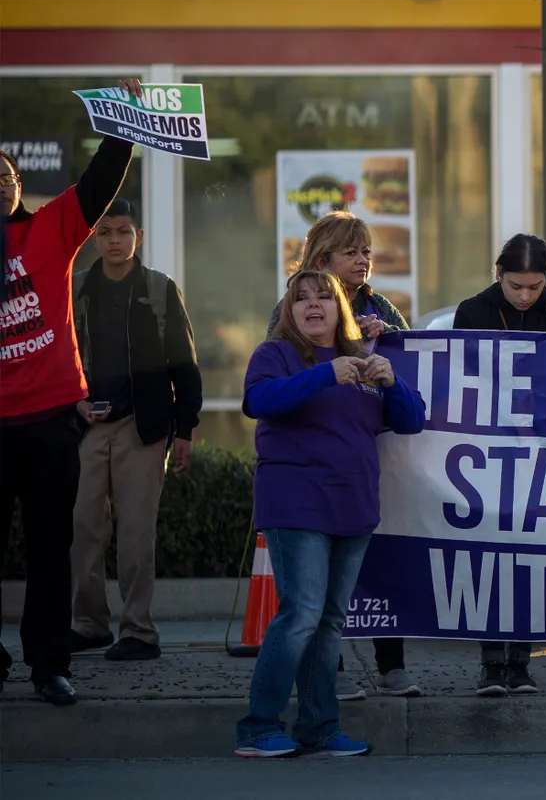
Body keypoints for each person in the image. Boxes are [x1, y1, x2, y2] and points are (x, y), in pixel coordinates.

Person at [233, 269, 426, 758]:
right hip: (296, 501)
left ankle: (318, 725)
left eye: (324, 297)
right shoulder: (274, 354)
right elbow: (259, 401)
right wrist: (324, 373)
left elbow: (412, 420)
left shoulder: (362, 359)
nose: (313, 305)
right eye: (302, 299)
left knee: (330, 622)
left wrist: (393, 382)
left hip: (353, 504)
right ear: (290, 311)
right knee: (301, 614)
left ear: (341, 308)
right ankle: (258, 727)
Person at [1, 76, 141, 706]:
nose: (1, 184)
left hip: (51, 418)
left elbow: (98, 181)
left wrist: (123, 120)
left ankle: (49, 664)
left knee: (51, 550)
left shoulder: (50, 229)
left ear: (18, 187)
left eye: (6, 176)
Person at [266, 211, 412, 698]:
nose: (364, 260)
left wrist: (383, 340)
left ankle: (392, 664)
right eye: (353, 251)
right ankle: (319, 684)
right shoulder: (292, 304)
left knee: (383, 561)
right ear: (324, 257)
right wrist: (343, 342)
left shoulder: (383, 307)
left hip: (370, 452)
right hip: (309, 471)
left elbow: (405, 369)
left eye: (367, 251)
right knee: (311, 603)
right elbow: (276, 380)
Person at [69, 197, 204, 662]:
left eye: (123, 232)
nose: (114, 241)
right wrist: (74, 402)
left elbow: (184, 364)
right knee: (83, 527)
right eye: (105, 232)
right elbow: (58, 356)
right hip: (86, 423)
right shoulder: (76, 288)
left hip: (142, 425)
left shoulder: (159, 289)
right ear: (94, 237)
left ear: (137, 237)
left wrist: (185, 427)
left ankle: (139, 631)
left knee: (135, 532)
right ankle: (88, 625)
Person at [451, 233, 546, 697]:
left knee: (529, 557)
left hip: (542, 450)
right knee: (490, 554)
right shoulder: (473, 311)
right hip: (488, 449)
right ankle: (490, 662)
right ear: (497, 275)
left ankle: (521, 660)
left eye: (535, 286)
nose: (526, 296)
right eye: (515, 286)